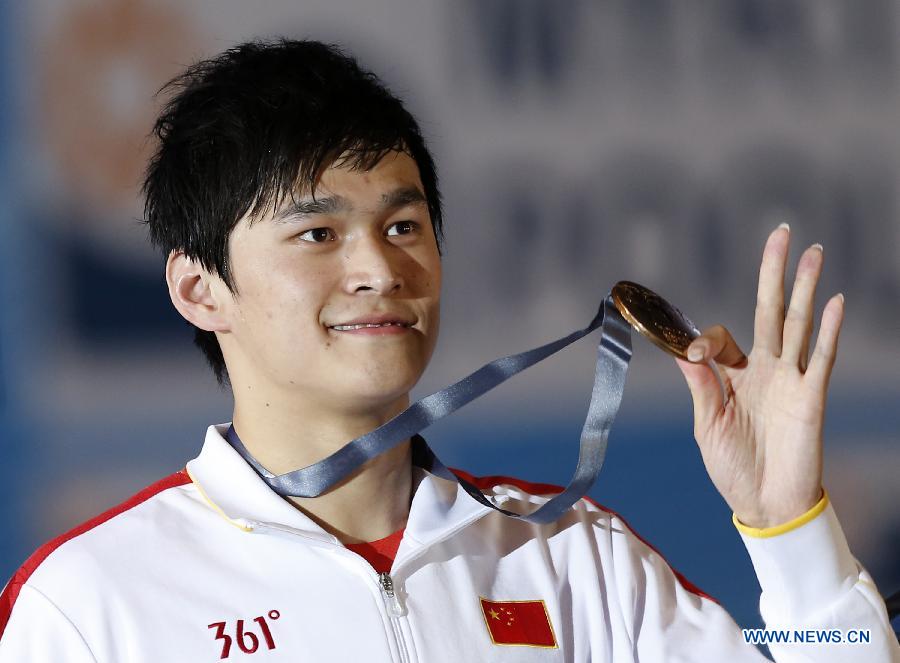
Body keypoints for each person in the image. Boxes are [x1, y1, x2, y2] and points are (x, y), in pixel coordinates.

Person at [0, 38, 897, 662]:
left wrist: (790, 526)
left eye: (404, 224)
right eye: (318, 234)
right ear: (200, 288)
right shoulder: (93, 602)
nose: (379, 269)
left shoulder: (571, 556)